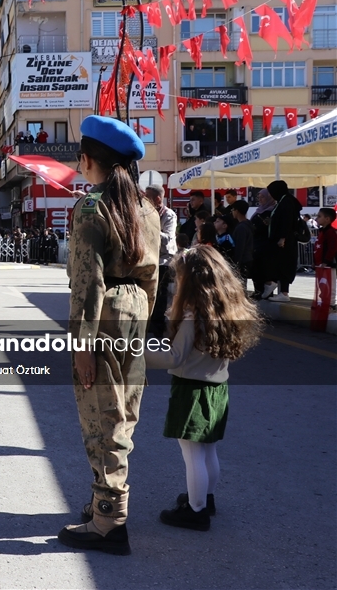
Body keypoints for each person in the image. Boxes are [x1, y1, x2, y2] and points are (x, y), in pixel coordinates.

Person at [58, 116, 160, 556]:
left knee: (101, 417)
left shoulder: (90, 207)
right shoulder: (148, 209)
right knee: (124, 415)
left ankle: (109, 520)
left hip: (103, 320)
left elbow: (87, 285)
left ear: (87, 160)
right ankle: (104, 500)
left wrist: (82, 346)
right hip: (136, 313)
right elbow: (154, 277)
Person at [145, 245, 262, 531]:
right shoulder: (223, 313)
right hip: (217, 389)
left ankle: (195, 511)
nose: (175, 284)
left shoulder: (191, 318)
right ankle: (206, 499)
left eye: (179, 279)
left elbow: (174, 357)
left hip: (191, 391)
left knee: (192, 454)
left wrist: (137, 354)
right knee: (208, 451)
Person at [261, 180, 303, 302]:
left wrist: (282, 237)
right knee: (279, 263)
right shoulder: (283, 201)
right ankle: (279, 289)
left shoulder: (287, 202)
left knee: (284, 264)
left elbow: (287, 221)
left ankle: (283, 292)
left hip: (285, 241)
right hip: (283, 239)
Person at [145, 185, 178, 337]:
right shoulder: (146, 213)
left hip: (164, 259)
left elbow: (168, 239)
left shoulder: (168, 215)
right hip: (149, 258)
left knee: (160, 294)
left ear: (158, 199)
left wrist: (151, 227)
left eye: (148, 197)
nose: (145, 200)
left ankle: (158, 326)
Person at [250, 189, 276, 299]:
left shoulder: (271, 211)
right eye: (258, 197)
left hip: (265, 244)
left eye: (263, 197)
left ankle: (265, 292)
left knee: (263, 269)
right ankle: (258, 290)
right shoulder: (259, 210)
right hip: (256, 243)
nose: (260, 199)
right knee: (256, 268)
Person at [314, 208, 337, 311]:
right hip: (321, 263)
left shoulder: (331, 232)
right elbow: (318, 247)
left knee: (330, 283)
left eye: (319, 216)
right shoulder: (322, 231)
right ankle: (324, 300)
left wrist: (326, 261)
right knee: (322, 283)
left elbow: (333, 248)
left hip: (328, 263)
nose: (316, 218)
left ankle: (331, 303)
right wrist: (314, 262)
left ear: (327, 219)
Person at [231, 200, 254, 289]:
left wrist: (236, 263)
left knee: (240, 284)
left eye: (233, 210)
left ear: (236, 211)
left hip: (243, 260)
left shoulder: (241, 227)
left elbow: (240, 247)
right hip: (247, 258)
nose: (232, 212)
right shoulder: (248, 224)